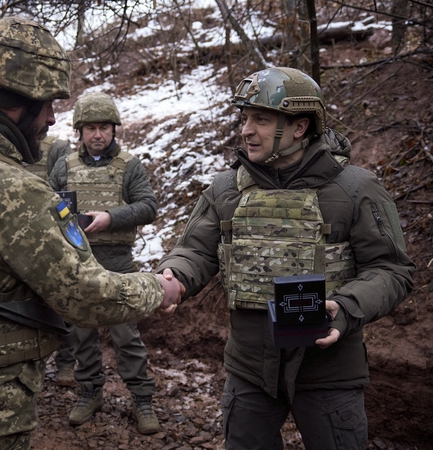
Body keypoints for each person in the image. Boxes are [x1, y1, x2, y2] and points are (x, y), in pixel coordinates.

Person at [0, 17, 182, 450]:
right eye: (48, 103)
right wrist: (157, 289)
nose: (52, 118)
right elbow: (84, 295)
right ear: (17, 99)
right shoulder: (8, 186)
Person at [155, 67, 415, 450]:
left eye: (261, 118)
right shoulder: (226, 188)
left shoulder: (356, 189)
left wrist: (345, 307)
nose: (245, 129)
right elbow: (195, 250)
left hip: (329, 371)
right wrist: (174, 276)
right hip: (249, 368)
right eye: (244, 118)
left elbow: (393, 270)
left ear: (299, 127)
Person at [49, 92, 161, 434]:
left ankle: (141, 398)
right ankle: (89, 392)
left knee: (126, 335)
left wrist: (111, 217)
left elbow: (148, 206)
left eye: (103, 128)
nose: (98, 135)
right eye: (90, 128)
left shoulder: (129, 165)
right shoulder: (64, 166)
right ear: (80, 132)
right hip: (79, 261)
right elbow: (47, 203)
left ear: (114, 130)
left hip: (118, 262)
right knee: (83, 335)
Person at [24, 135, 78, 387]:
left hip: (50, 236)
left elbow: (65, 194)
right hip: (11, 236)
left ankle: (66, 362)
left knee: (60, 300)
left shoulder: (56, 148)